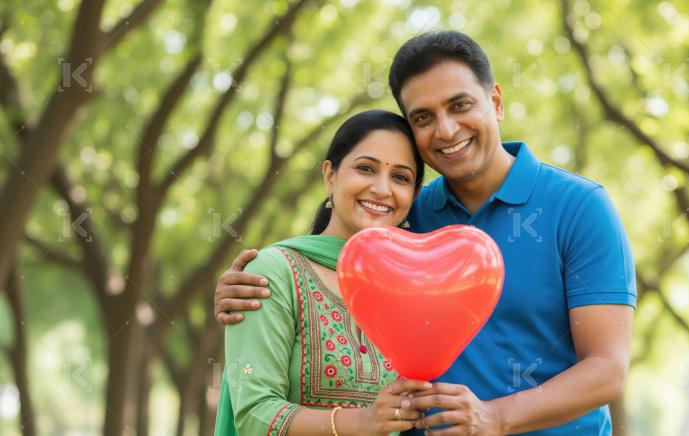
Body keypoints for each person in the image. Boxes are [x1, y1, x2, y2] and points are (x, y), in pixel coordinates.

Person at [215, 31, 636, 435]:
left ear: (496, 100)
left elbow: (607, 369)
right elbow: (330, 258)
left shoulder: (579, 208)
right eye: (423, 117)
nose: (447, 130)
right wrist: (254, 285)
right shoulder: (406, 217)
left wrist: (495, 418)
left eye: (460, 105)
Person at [214, 110, 433, 435]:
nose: (382, 188)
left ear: (414, 194)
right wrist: (363, 421)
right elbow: (254, 414)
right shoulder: (276, 272)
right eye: (366, 168)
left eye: (401, 177)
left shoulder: (407, 291)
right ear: (330, 175)